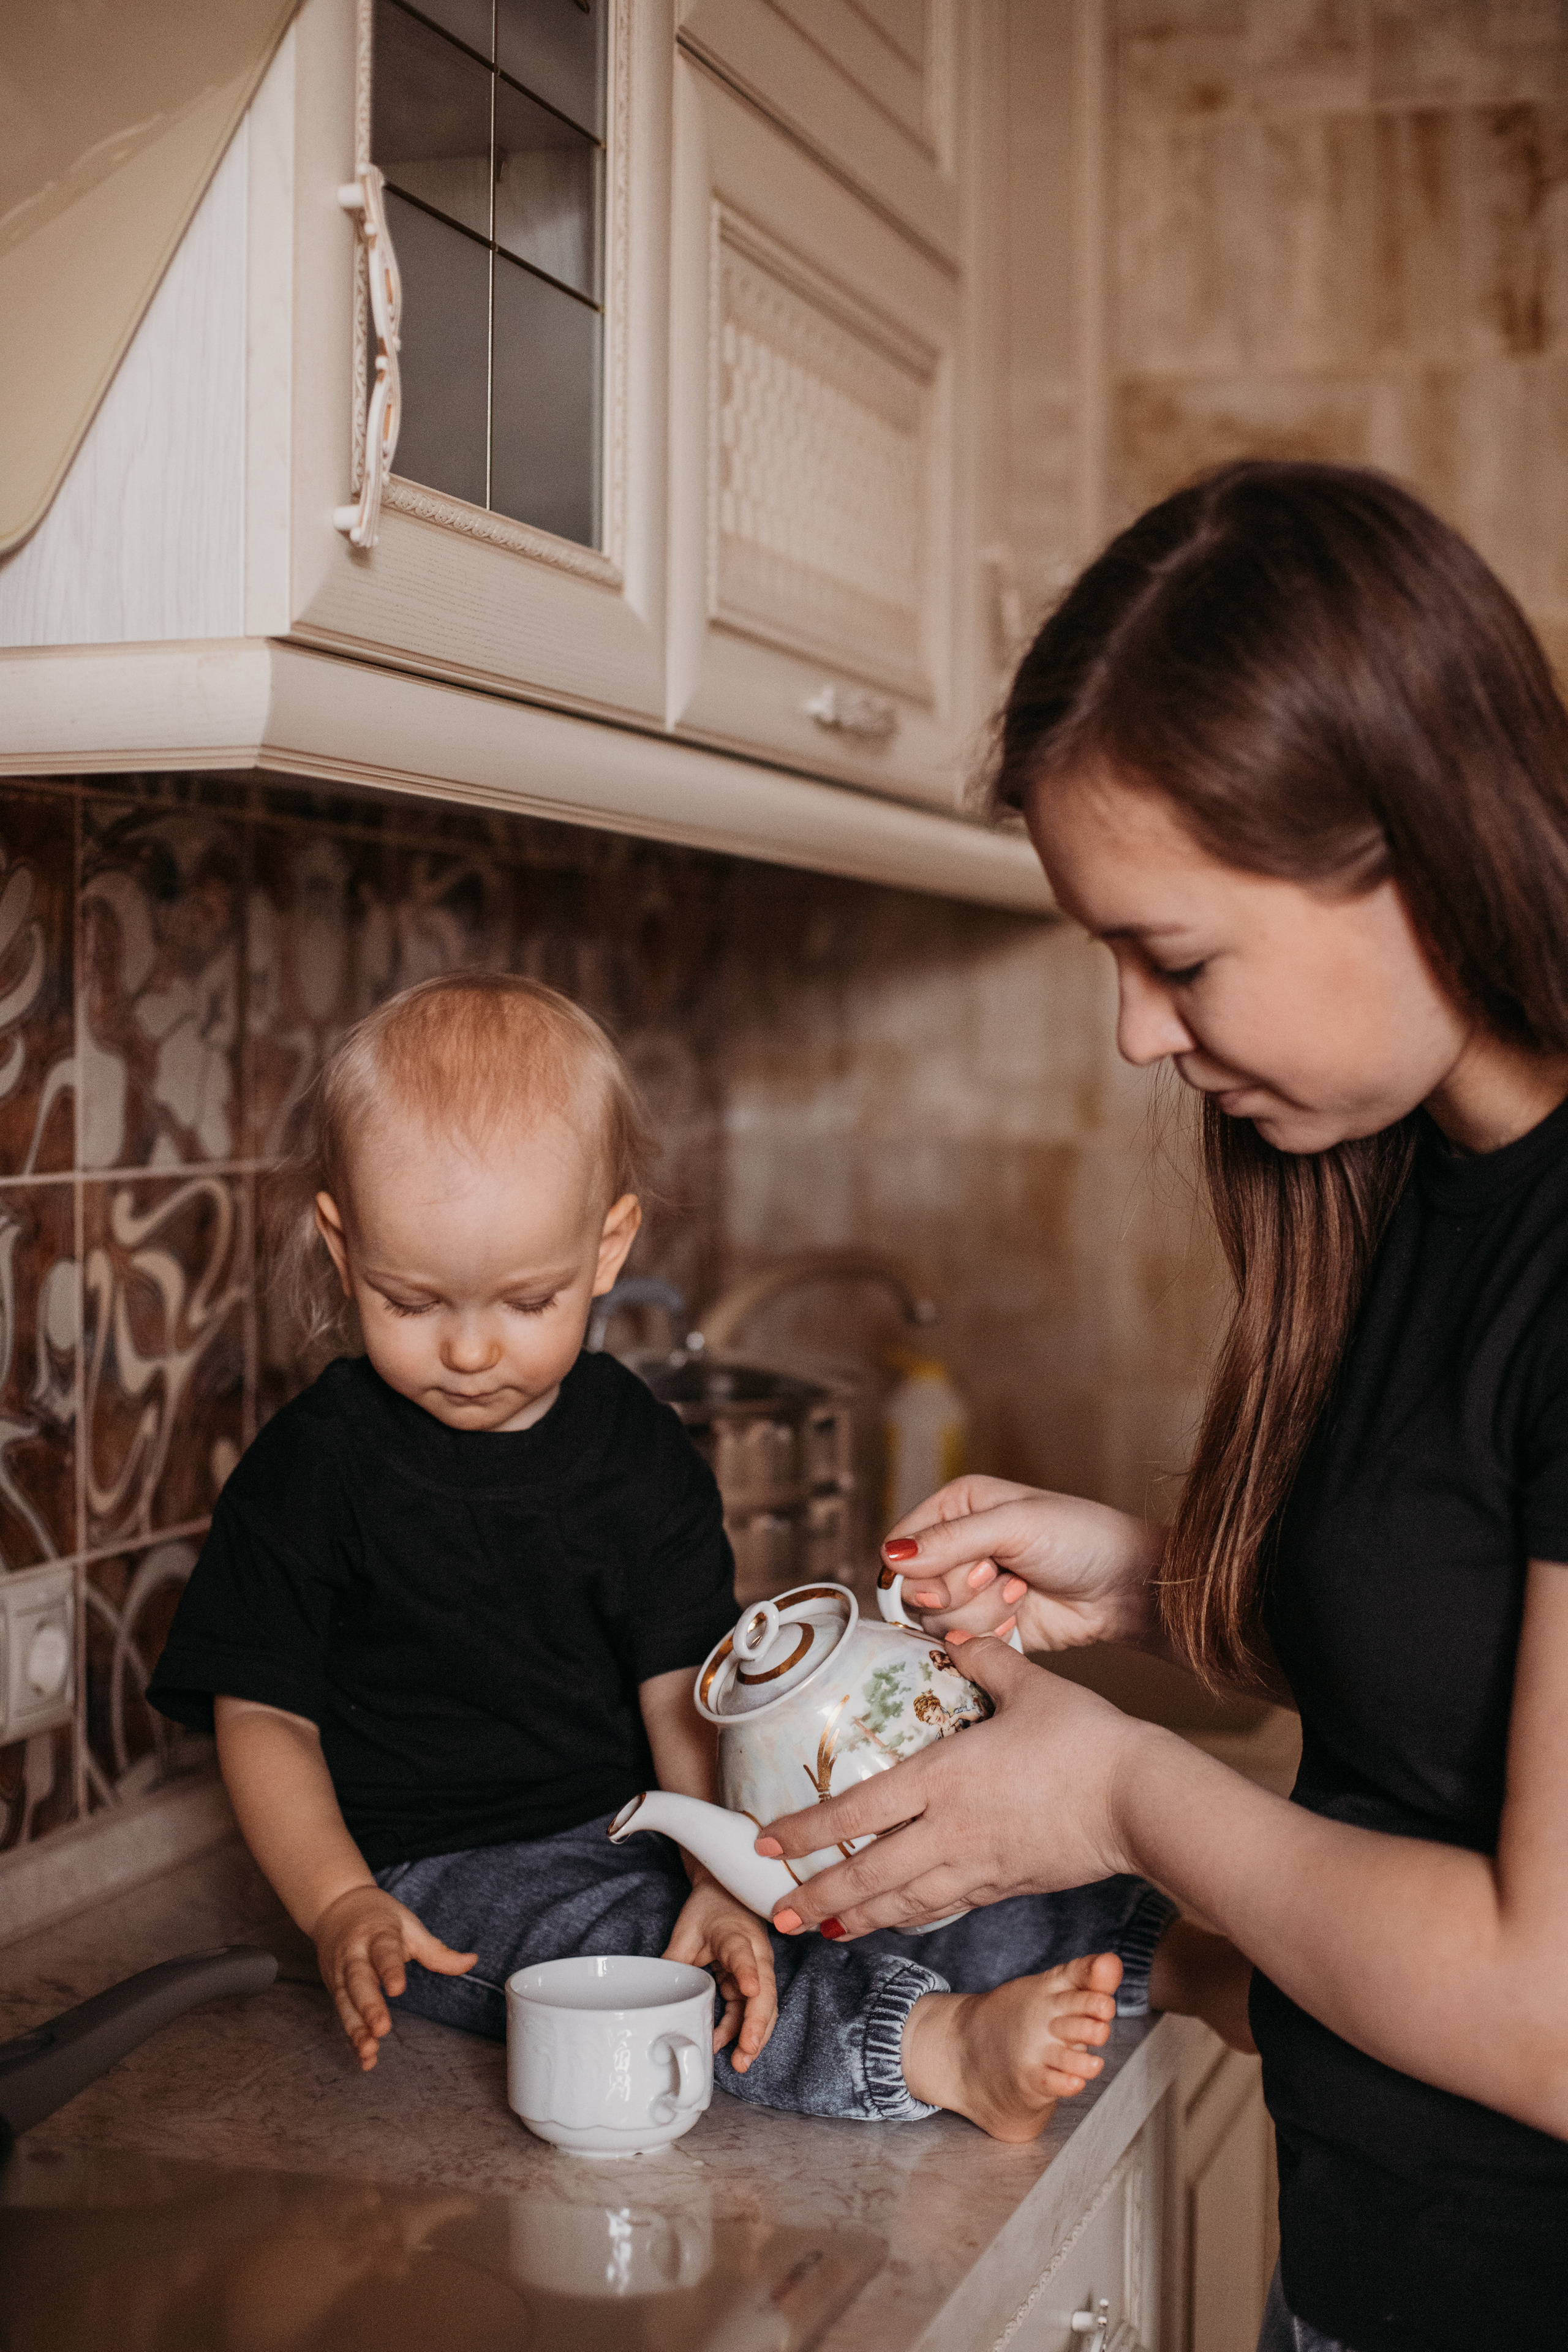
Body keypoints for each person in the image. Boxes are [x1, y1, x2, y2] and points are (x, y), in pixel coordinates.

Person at [753, 462, 1568, 2348]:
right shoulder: (1428, 1177)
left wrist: (1124, 1789)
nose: (1137, 1032)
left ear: (1412, 843)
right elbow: (1475, 1689)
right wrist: (1157, 1582)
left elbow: (1547, 2019)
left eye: (1176, 956)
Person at [146, 972, 1240, 2140]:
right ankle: (929, 2052)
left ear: (609, 1246)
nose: (468, 1349)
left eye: (527, 1301)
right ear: (340, 1239)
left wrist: (726, 1876)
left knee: (883, 1880)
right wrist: (339, 1900)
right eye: (408, 1302)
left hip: (649, 1818)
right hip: (445, 1871)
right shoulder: (315, 1468)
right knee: (633, 1968)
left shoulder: (636, 1451)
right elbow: (263, 1717)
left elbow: (680, 1688)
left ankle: (1174, 1962)